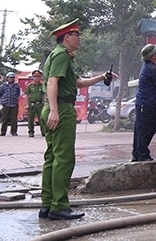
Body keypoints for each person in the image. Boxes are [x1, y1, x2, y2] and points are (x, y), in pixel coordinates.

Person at [41, 18, 115, 221]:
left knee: (52, 158)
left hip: (55, 107)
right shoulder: (62, 56)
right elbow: (52, 82)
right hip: (61, 108)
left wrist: (101, 77)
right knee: (64, 159)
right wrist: (55, 111)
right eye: (77, 35)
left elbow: (77, 82)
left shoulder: (60, 56)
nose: (79, 38)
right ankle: (59, 206)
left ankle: (47, 204)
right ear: (67, 37)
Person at [0, 71, 21, 136]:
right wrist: (3, 101)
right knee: (4, 118)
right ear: (7, 78)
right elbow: (1, 93)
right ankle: (3, 132)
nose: (11, 79)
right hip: (6, 104)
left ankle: (13, 131)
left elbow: (18, 93)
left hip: (14, 104)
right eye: (9, 78)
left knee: (14, 119)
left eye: (12, 78)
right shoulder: (4, 85)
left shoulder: (17, 85)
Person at [25, 71, 46, 137]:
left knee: (42, 119)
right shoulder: (30, 86)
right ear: (33, 77)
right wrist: (27, 104)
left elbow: (45, 95)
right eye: (35, 76)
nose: (37, 78)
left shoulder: (42, 86)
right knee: (30, 119)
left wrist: (45, 103)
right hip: (32, 104)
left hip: (40, 104)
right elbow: (26, 95)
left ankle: (43, 132)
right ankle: (31, 132)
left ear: (41, 77)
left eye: (38, 76)